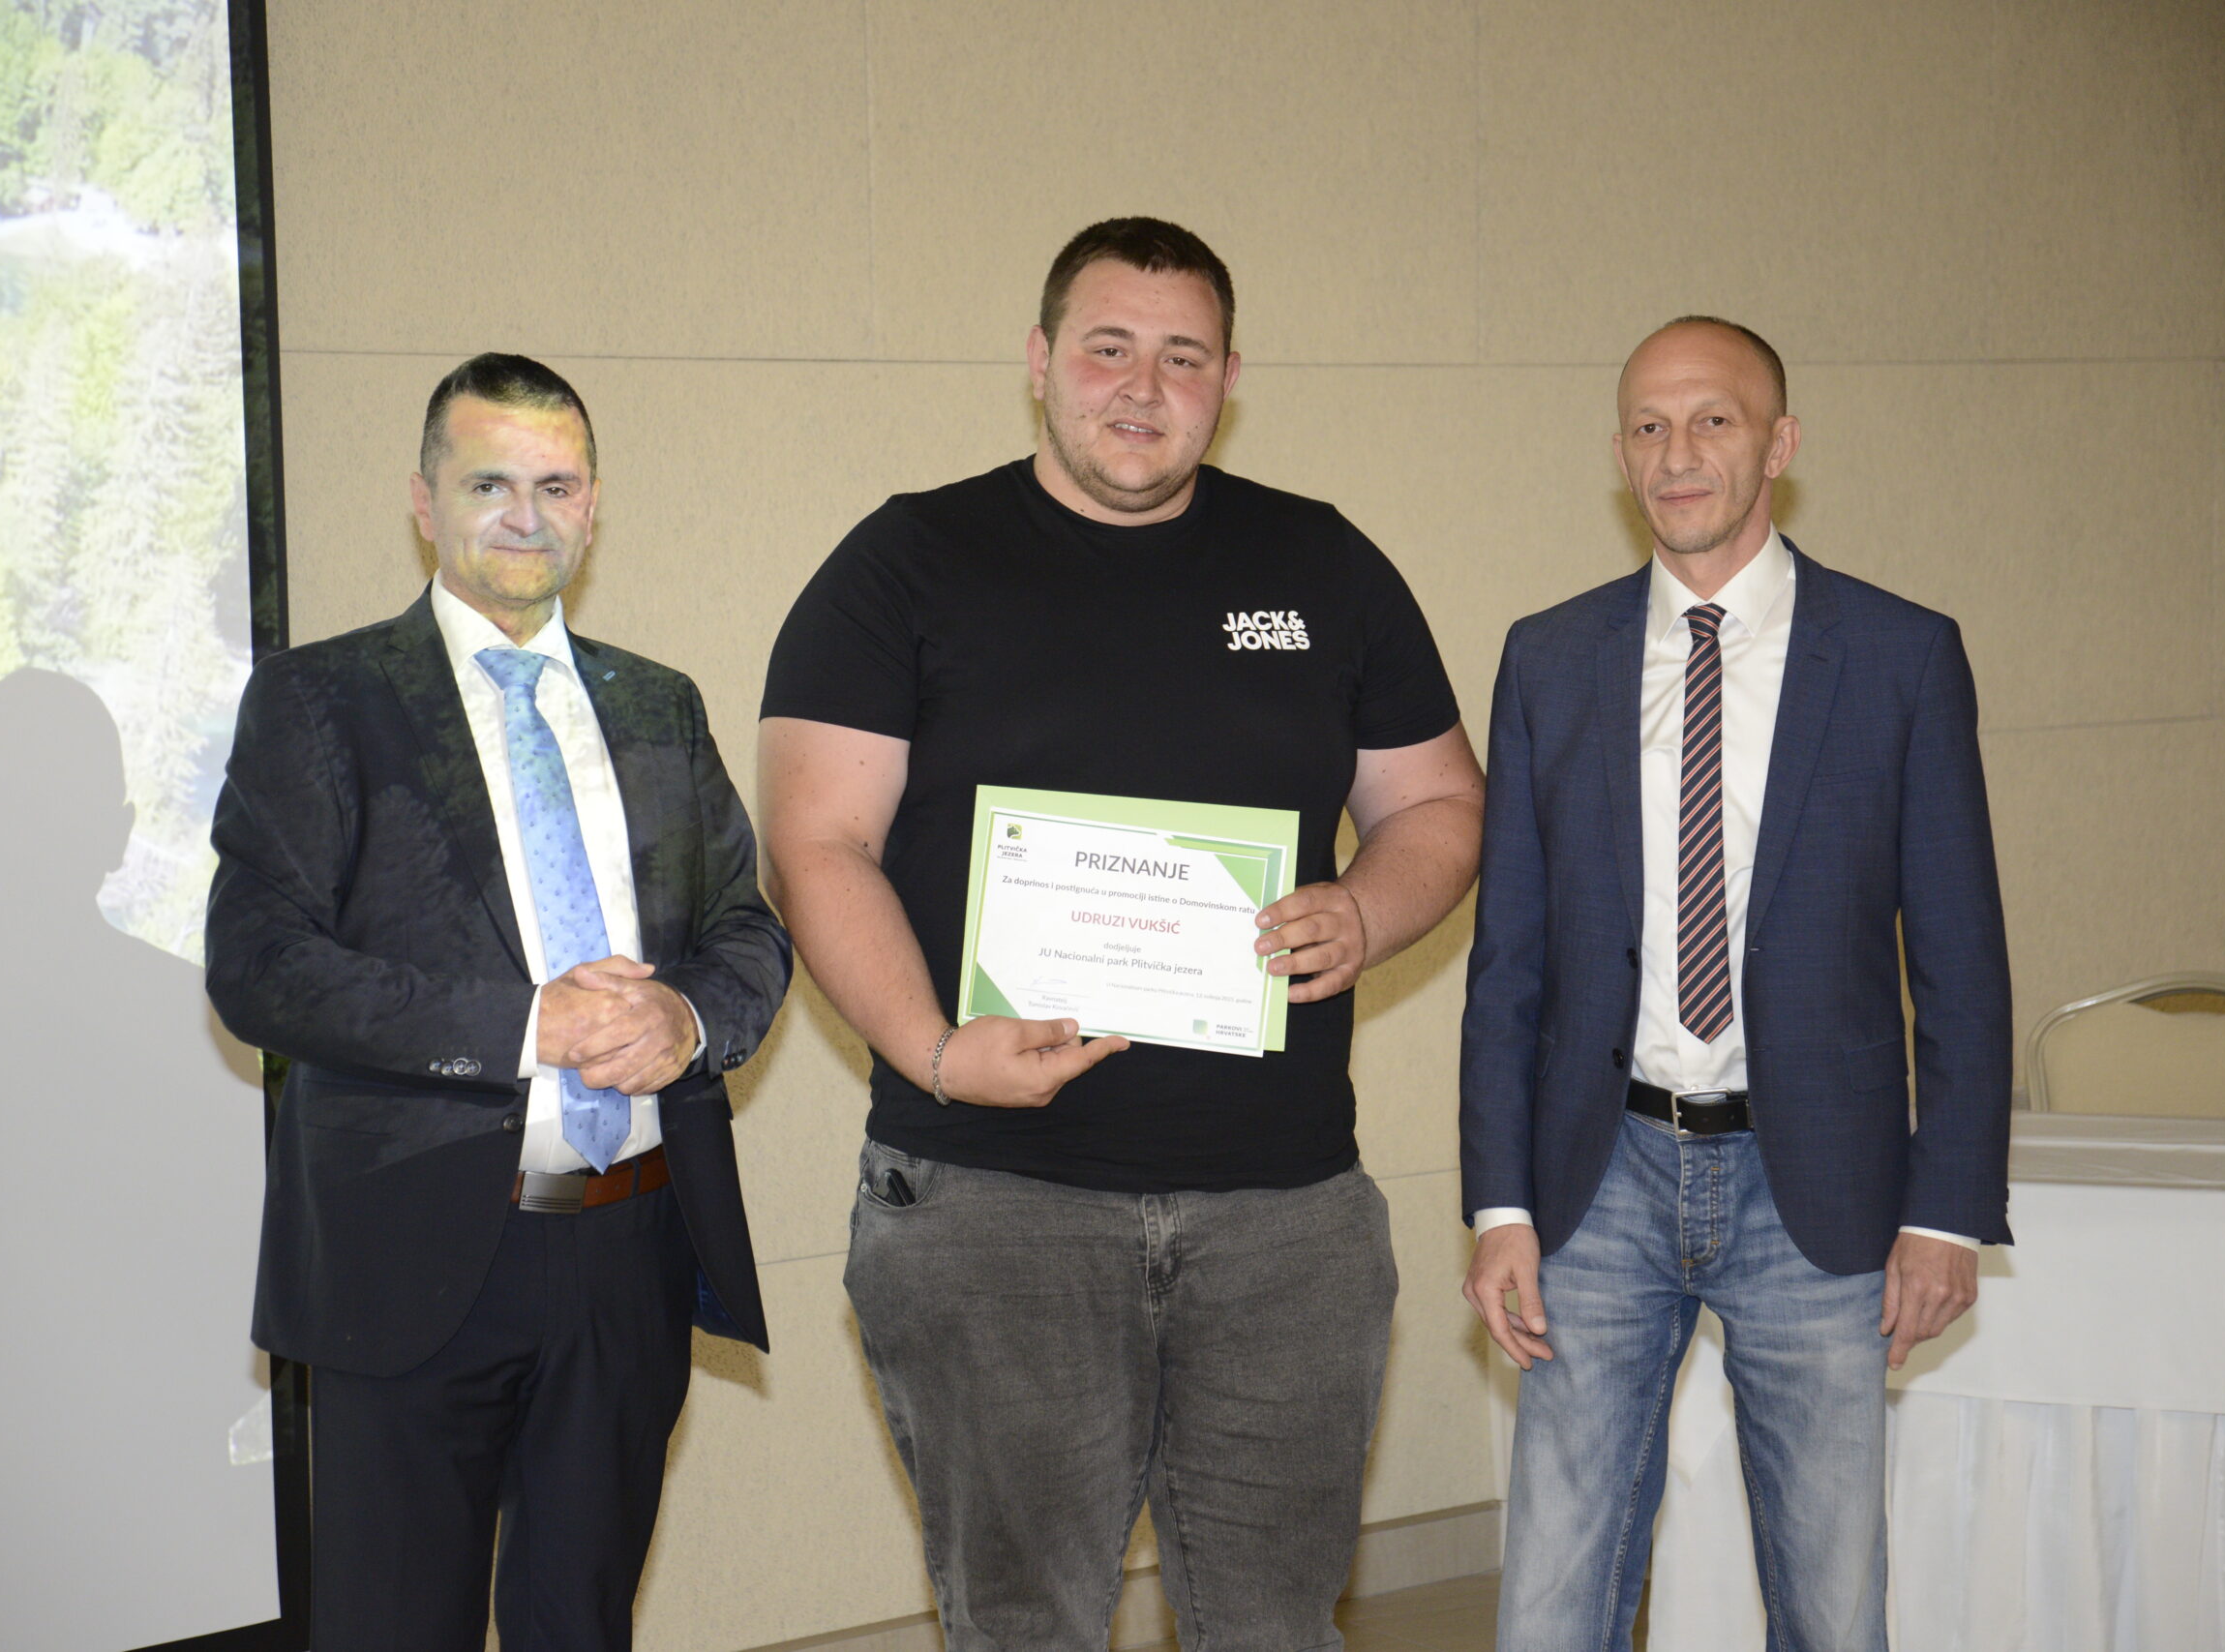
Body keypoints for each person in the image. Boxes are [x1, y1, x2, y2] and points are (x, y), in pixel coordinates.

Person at [759, 218, 1484, 1650]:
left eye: (1183, 357)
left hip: (1284, 1216)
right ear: (1039, 362)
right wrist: (935, 1052)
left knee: (1276, 1626)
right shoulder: (908, 562)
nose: (1143, 388)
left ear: (1230, 381)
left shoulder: (1323, 562)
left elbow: (1442, 805)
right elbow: (816, 845)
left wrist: (1366, 906)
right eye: (1107, 349)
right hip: (993, 1202)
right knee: (1023, 1624)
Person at [206, 353, 791, 1652]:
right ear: (424, 502)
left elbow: (746, 930)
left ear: (594, 506)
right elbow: (259, 964)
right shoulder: (322, 701)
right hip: (410, 1258)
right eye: (489, 485)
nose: (527, 516)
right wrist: (533, 1029)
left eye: (557, 486)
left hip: (629, 1247)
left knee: (580, 1624)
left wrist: (688, 1021)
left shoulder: (659, 703)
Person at [1458, 317, 2011, 1651]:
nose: (1678, 454)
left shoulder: (1901, 655)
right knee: (1550, 1603)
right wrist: (1500, 1204)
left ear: (1781, 443)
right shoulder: (1550, 656)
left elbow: (1960, 956)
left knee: (1831, 1602)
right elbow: (1510, 956)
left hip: (1816, 1187)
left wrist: (1947, 1211)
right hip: (1599, 1182)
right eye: (1649, 427)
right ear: (1619, 454)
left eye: (1713, 420)